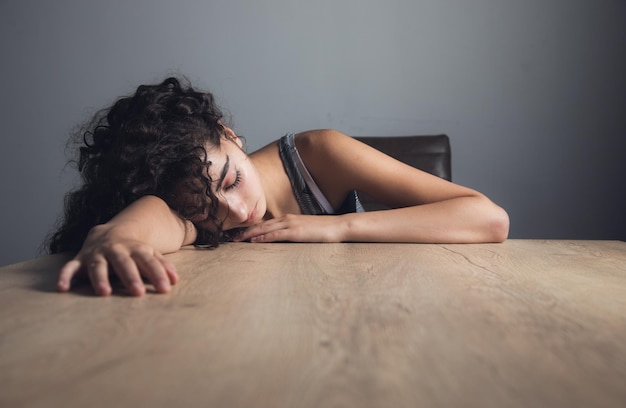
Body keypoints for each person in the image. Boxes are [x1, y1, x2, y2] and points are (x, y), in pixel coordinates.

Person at [48, 76, 509, 296]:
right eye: (205, 211)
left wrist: (339, 228)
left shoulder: (318, 155)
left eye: (231, 180)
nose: (233, 212)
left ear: (229, 135)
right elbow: (158, 218)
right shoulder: (203, 216)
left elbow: (489, 218)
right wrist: (117, 237)